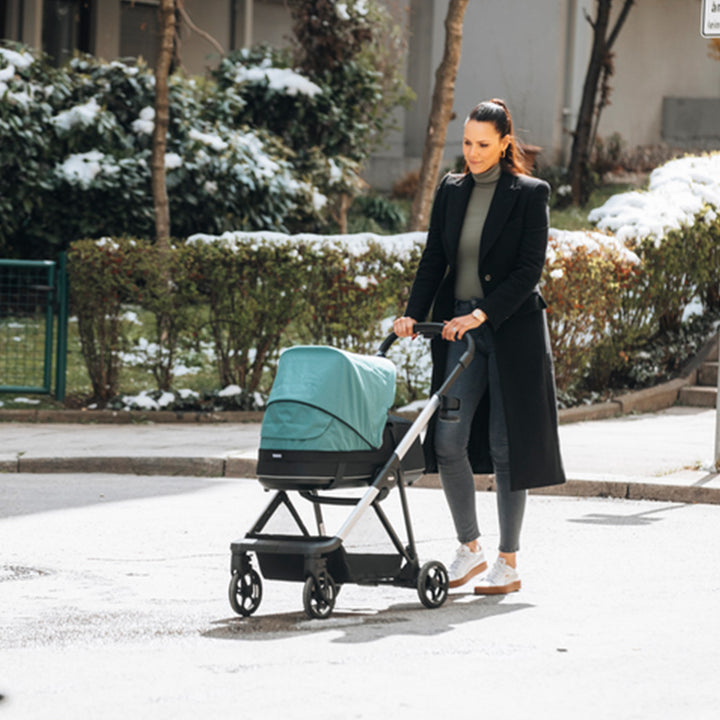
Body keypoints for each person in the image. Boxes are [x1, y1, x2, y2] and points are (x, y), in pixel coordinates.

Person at [393, 99, 566, 594]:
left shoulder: (530, 194)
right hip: (459, 330)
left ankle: (508, 561)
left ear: (505, 143)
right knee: (446, 440)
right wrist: (413, 312)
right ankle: (469, 548)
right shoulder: (451, 191)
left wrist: (482, 312)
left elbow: (528, 271)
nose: (471, 152)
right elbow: (434, 259)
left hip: (510, 331)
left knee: (505, 445)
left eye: (482, 145)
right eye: (466, 143)